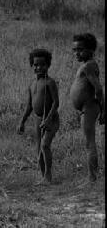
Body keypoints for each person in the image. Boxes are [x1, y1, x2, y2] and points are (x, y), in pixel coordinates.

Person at [18, 49, 60, 185]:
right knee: (38, 151)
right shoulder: (32, 84)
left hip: (50, 120)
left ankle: (48, 177)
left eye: (42, 65)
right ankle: (43, 178)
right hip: (37, 120)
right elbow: (29, 106)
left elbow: (56, 102)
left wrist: (48, 119)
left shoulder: (50, 82)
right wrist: (22, 122)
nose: (38, 68)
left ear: (48, 65)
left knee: (45, 145)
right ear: (32, 65)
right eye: (35, 65)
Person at [70, 33, 105, 183]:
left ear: (91, 49)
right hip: (87, 107)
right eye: (75, 50)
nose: (77, 53)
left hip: (90, 107)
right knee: (88, 142)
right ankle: (92, 177)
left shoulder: (89, 65)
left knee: (89, 143)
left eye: (80, 49)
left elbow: (98, 88)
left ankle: (92, 178)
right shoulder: (86, 65)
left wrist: (102, 108)